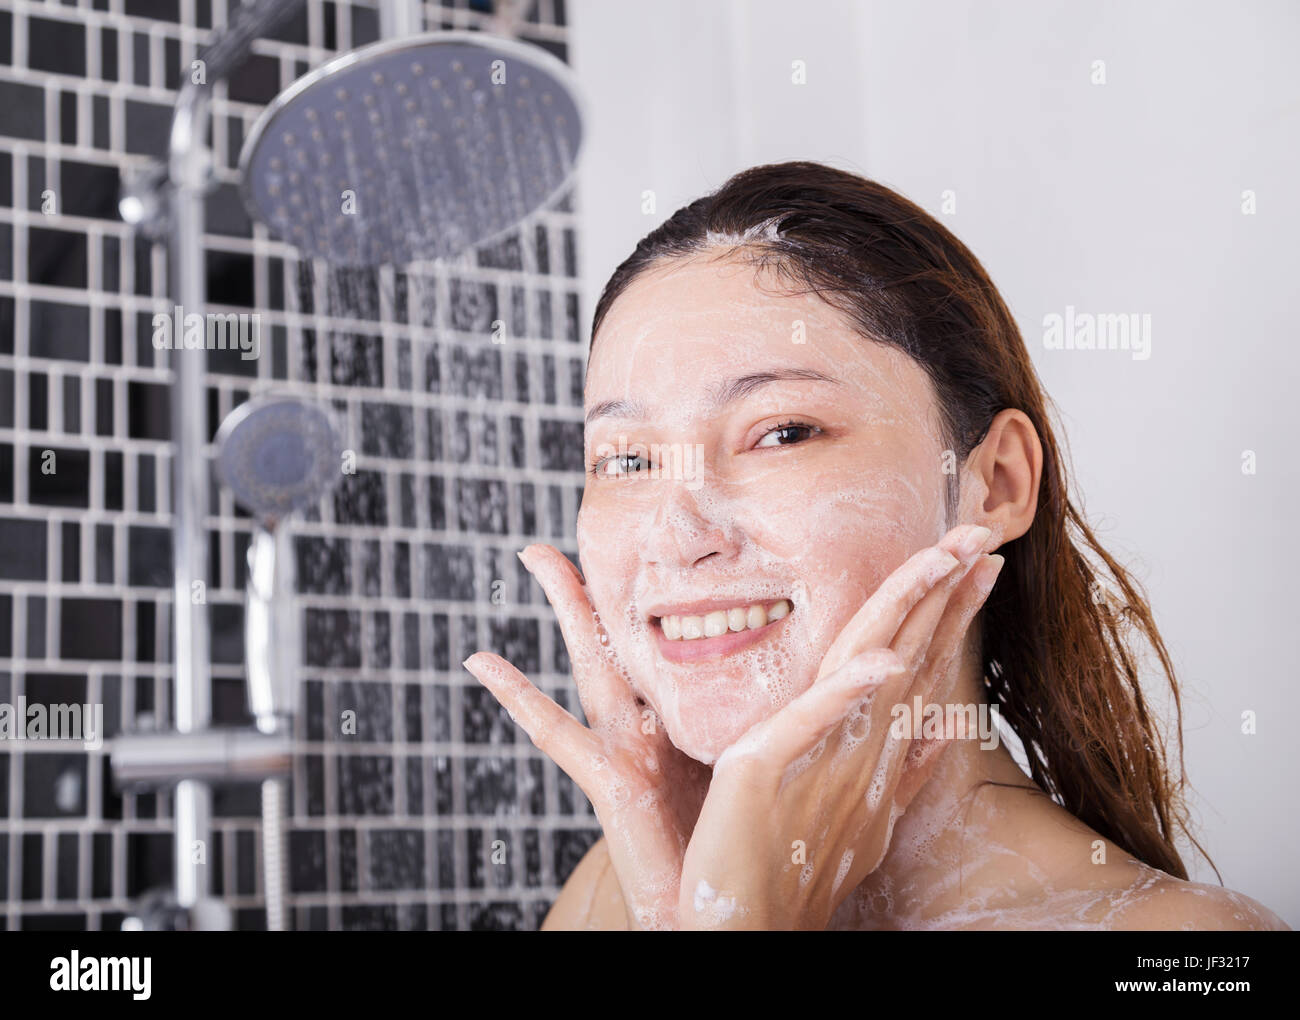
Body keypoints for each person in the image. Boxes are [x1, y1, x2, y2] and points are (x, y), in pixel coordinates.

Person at [463, 162, 1288, 930]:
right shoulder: (612, 895)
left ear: (995, 483)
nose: (678, 539)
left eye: (782, 433)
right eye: (628, 460)